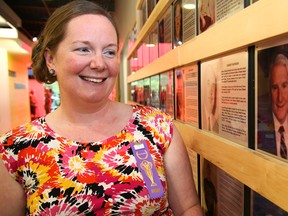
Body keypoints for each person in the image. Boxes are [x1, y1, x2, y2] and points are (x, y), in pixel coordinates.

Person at [0, 1, 203, 215]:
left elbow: (188, 208)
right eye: (83, 49)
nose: (99, 63)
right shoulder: (16, 149)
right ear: (51, 59)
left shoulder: (156, 128)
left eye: (109, 52)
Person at [258, 53, 288, 159]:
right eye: (275, 88)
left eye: (284, 86)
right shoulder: (259, 122)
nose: (280, 98)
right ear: (269, 91)